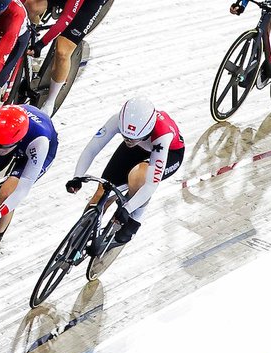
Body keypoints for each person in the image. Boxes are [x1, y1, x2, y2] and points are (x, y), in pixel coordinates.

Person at [66, 97, 185, 245]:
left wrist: (128, 209)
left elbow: (151, 185)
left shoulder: (162, 135)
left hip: (170, 154)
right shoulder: (118, 121)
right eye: (125, 136)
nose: (128, 141)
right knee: (102, 192)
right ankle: (77, 242)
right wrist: (77, 176)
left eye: (132, 138)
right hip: (138, 148)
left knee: (138, 177)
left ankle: (135, 220)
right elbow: (92, 149)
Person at [14, 0, 108, 108]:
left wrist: (42, 43)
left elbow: (67, 17)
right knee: (30, 5)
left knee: (62, 51)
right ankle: (28, 44)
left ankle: (50, 101)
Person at [0, 103, 57, 276]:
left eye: (3, 146)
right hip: (7, 135)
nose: (0, 149)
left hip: (32, 149)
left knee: (7, 193)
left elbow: (22, 190)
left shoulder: (40, 141)